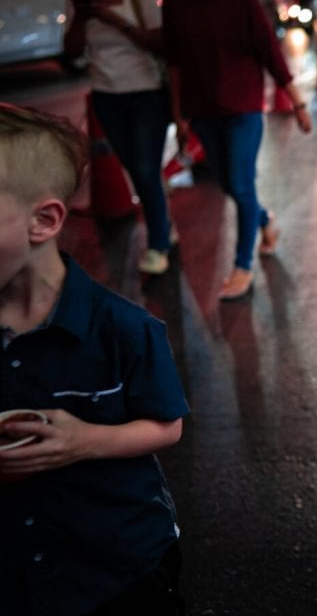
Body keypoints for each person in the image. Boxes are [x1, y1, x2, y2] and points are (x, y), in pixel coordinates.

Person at [0, 104, 189, 615]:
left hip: (117, 569)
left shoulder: (125, 330)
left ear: (44, 220)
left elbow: (165, 425)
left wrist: (83, 441)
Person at [162, 0, 313, 301]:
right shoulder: (175, 3)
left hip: (243, 107)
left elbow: (269, 53)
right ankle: (265, 221)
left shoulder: (240, 0)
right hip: (203, 112)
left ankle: (243, 267)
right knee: (229, 184)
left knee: (241, 185)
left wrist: (297, 102)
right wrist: (179, 117)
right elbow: (174, 64)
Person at [63, 0, 173, 276]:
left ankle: (158, 244)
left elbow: (160, 44)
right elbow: (70, 51)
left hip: (147, 95)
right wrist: (82, 19)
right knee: (135, 169)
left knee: (144, 167)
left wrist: (114, 20)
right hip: (107, 96)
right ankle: (163, 223)